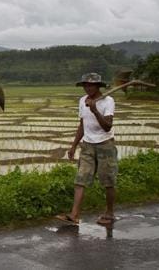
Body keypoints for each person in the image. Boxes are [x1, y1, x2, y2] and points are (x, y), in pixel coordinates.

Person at [56, 73, 118, 226]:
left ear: (98, 86)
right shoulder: (82, 101)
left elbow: (107, 126)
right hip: (87, 145)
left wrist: (95, 110)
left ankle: (109, 213)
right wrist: (74, 145)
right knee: (81, 179)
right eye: (85, 85)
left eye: (91, 85)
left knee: (108, 180)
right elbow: (82, 125)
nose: (87, 88)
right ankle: (74, 214)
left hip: (105, 145)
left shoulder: (108, 101)